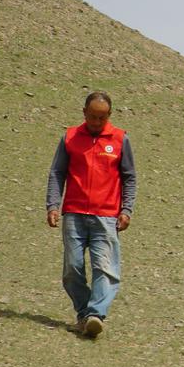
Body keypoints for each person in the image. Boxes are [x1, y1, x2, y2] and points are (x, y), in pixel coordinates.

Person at [45, 91, 137, 339]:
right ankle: (85, 314)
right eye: (93, 117)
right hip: (74, 214)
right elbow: (57, 173)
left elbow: (129, 177)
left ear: (110, 115)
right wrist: (52, 205)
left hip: (106, 217)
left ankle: (96, 315)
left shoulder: (120, 139)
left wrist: (126, 210)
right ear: (84, 113)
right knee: (72, 269)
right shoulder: (70, 137)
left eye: (102, 117)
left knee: (104, 269)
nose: (97, 122)